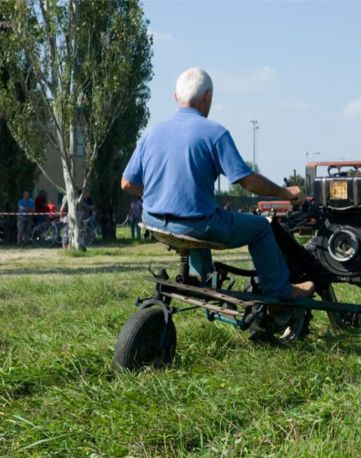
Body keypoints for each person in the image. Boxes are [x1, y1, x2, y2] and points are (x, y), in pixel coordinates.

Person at [120, 67, 314, 303]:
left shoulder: (151, 133)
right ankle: (280, 295)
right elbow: (248, 181)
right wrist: (286, 192)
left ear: (175, 96)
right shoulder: (215, 133)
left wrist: (157, 192)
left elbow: (127, 183)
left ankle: (201, 275)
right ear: (208, 96)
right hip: (197, 226)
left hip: (153, 221)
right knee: (261, 228)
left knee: (199, 214)